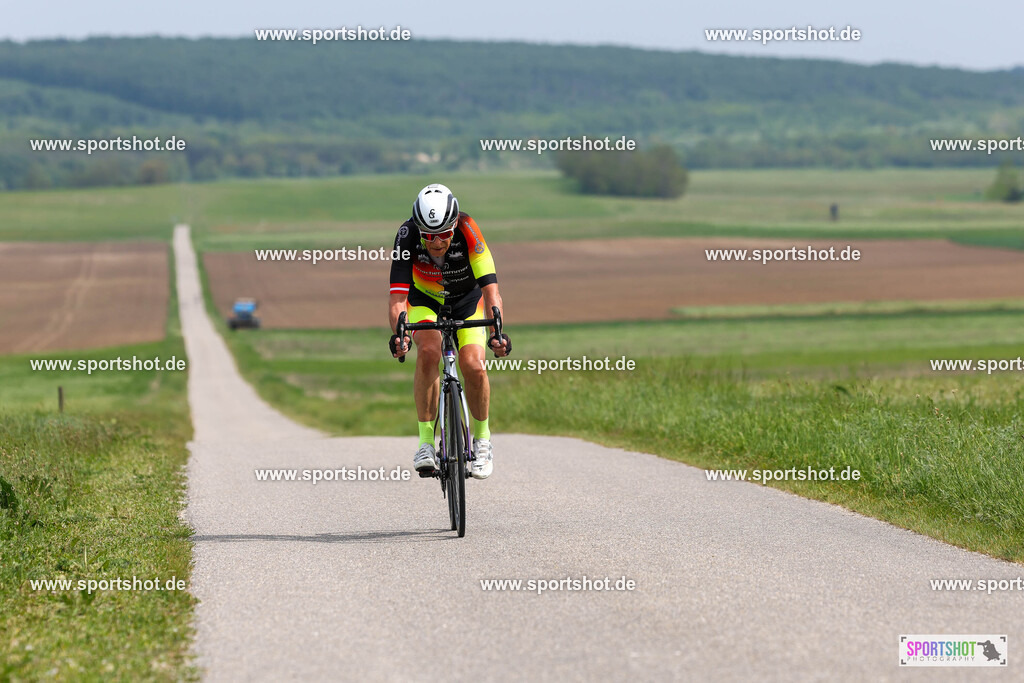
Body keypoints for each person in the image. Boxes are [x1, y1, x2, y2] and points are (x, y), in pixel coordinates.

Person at [388, 184, 510, 479]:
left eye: (443, 233)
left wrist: (497, 332)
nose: (436, 242)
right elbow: (397, 299)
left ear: (454, 225)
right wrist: (400, 335)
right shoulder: (406, 236)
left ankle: (482, 441)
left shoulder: (468, 228)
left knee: (474, 366)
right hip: (425, 301)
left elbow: (491, 291)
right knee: (429, 351)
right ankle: (426, 443)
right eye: (429, 235)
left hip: (467, 300)